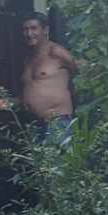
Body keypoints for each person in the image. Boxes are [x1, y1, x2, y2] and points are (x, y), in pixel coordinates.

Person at [16, 12, 78, 140]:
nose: (29, 34)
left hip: (58, 122)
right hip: (35, 125)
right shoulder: (28, 59)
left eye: (33, 28)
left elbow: (81, 70)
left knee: (58, 160)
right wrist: (13, 101)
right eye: (25, 29)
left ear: (45, 30)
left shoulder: (56, 52)